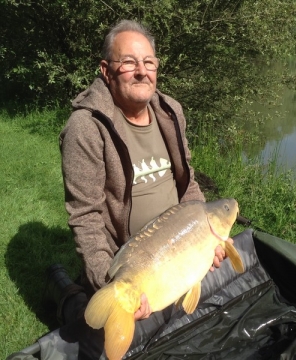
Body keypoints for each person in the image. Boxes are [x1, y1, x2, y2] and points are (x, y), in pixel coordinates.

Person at [46, 19, 231, 358]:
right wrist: (112, 285)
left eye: (149, 62)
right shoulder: (85, 129)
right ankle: (69, 295)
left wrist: (205, 236)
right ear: (106, 70)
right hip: (127, 265)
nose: (142, 71)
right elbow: (85, 218)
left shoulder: (171, 111)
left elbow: (188, 184)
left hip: (177, 251)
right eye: (129, 62)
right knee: (97, 335)